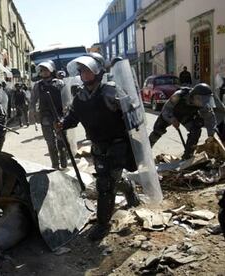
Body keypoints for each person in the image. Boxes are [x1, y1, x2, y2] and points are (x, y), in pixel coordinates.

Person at [55, 53, 140, 241]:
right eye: (82, 71)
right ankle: (129, 189)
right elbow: (73, 117)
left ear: (98, 70)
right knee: (108, 179)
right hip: (98, 146)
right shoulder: (80, 97)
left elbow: (132, 113)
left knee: (105, 185)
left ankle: (103, 224)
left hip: (118, 145)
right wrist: (63, 123)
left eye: (88, 70)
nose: (84, 74)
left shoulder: (111, 91)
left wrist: (130, 118)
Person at [148, 83, 217, 159]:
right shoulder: (178, 95)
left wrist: (211, 135)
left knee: (196, 130)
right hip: (171, 113)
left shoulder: (203, 104)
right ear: (195, 97)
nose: (205, 103)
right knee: (158, 131)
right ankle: (145, 152)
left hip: (186, 116)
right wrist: (172, 119)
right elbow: (166, 110)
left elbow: (210, 118)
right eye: (202, 100)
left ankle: (188, 155)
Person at [30, 60, 67, 169]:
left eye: (46, 70)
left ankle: (63, 161)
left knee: (61, 141)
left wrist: (66, 111)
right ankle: (55, 164)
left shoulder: (59, 83)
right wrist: (32, 112)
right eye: (42, 70)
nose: (44, 72)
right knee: (50, 143)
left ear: (51, 70)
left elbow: (66, 99)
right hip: (45, 116)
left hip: (59, 115)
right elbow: (33, 100)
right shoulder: (38, 85)